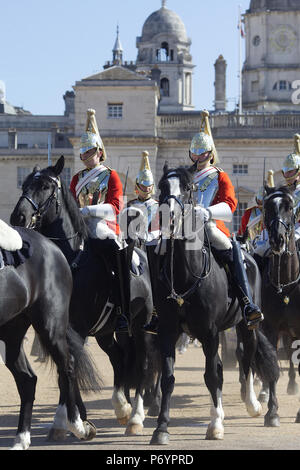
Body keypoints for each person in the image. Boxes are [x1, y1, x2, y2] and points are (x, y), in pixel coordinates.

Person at [190, 110, 263, 330]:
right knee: (162, 249)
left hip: (212, 226)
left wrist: (208, 213)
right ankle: (156, 309)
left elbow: (230, 206)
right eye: (195, 152)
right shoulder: (185, 175)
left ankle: (247, 303)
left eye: (203, 152)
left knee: (234, 252)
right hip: (186, 227)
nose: (198, 156)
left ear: (210, 154)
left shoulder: (220, 176)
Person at [70, 108, 131, 332]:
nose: (86, 156)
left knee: (118, 259)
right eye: (83, 152)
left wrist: (89, 211)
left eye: (90, 151)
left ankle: (123, 310)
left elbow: (115, 207)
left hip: (103, 227)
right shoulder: (77, 178)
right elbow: (70, 204)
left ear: (99, 151)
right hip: (79, 228)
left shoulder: (110, 175)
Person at [123, 150, 159, 334]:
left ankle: (157, 311)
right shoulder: (129, 205)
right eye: (143, 187)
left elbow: (161, 229)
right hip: (132, 245)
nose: (146, 190)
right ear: (137, 187)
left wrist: (148, 237)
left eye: (149, 187)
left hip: (151, 245)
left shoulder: (159, 206)